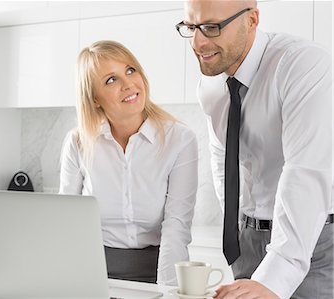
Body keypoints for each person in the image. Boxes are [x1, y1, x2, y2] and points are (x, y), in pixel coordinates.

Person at [176, 0, 333, 298]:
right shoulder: (211, 85)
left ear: (252, 20)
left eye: (211, 27)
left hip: (312, 244)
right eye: (191, 27)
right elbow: (223, 158)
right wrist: (236, 228)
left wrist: (276, 276)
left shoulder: (303, 64)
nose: (198, 42)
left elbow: (306, 171)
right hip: (247, 241)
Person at [59, 40, 198, 285]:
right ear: (94, 99)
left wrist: (166, 290)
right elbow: (64, 221)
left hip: (157, 271)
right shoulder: (78, 142)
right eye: (111, 80)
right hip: (90, 273)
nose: (129, 84)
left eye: (130, 70)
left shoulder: (180, 140)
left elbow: (176, 225)